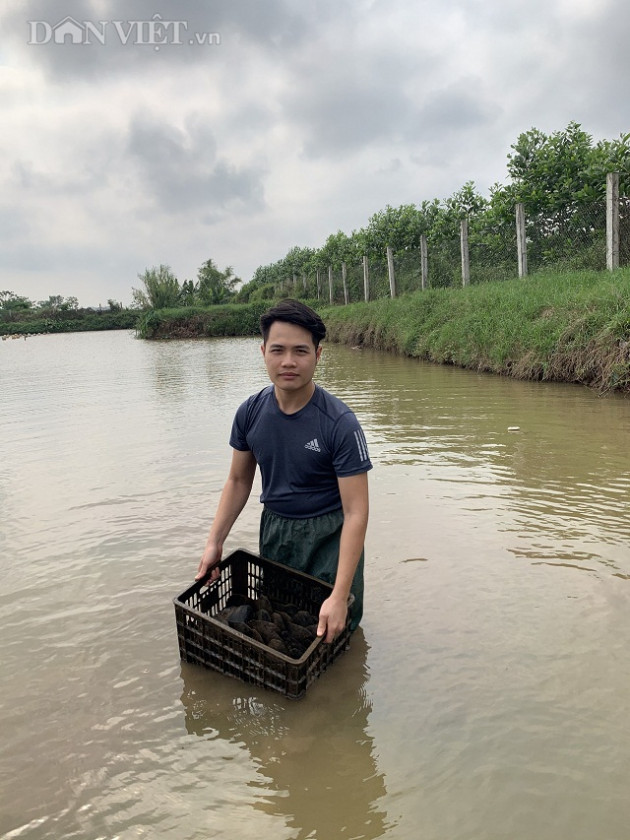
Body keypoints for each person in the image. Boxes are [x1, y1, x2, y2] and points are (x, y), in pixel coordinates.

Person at [195, 299, 372, 643]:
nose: (288, 362)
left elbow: (356, 513)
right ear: (263, 351)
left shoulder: (340, 424)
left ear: (318, 355)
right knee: (280, 623)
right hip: (276, 530)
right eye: (278, 350)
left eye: (301, 351)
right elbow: (238, 480)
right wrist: (214, 542)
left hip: (329, 538)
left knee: (334, 633)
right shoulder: (250, 413)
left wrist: (338, 595)